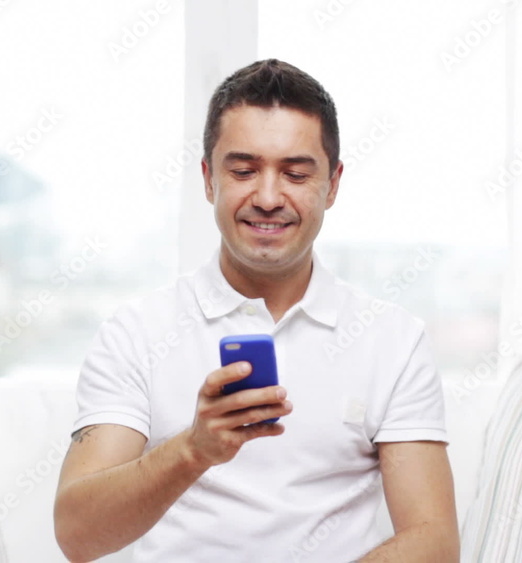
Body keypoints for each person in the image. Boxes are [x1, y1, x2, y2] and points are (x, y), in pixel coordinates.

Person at [54, 59, 458, 562]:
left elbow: (434, 541)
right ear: (208, 180)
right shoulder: (136, 332)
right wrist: (193, 450)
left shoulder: (393, 340)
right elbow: (78, 535)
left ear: (332, 184)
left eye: (295, 174)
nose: (267, 198)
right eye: (243, 171)